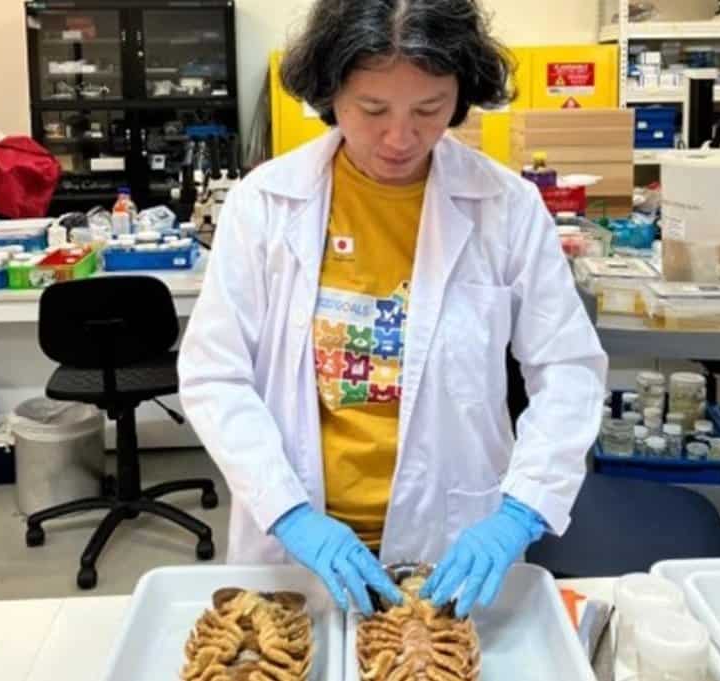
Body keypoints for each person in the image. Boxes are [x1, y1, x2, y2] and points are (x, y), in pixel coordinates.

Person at [178, 0, 607, 619]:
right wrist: (290, 513)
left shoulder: (505, 207)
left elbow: (567, 368)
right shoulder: (264, 204)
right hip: (303, 546)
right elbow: (215, 374)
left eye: (429, 109)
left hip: (454, 543)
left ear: (460, 97)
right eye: (372, 109)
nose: (400, 137)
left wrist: (521, 511)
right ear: (329, 94)